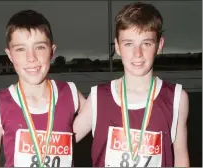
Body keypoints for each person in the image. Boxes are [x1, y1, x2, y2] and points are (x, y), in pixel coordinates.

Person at [73, 2, 189, 167]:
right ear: (118, 47)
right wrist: (65, 94)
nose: (138, 54)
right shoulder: (98, 97)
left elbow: (181, 157)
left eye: (146, 43)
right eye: (129, 44)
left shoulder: (177, 98)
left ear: (160, 45)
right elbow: (59, 144)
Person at [0, 9, 86, 167]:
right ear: (9, 55)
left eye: (39, 47)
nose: (31, 58)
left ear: (52, 52)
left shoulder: (70, 93)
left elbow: (103, 117)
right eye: (20, 49)